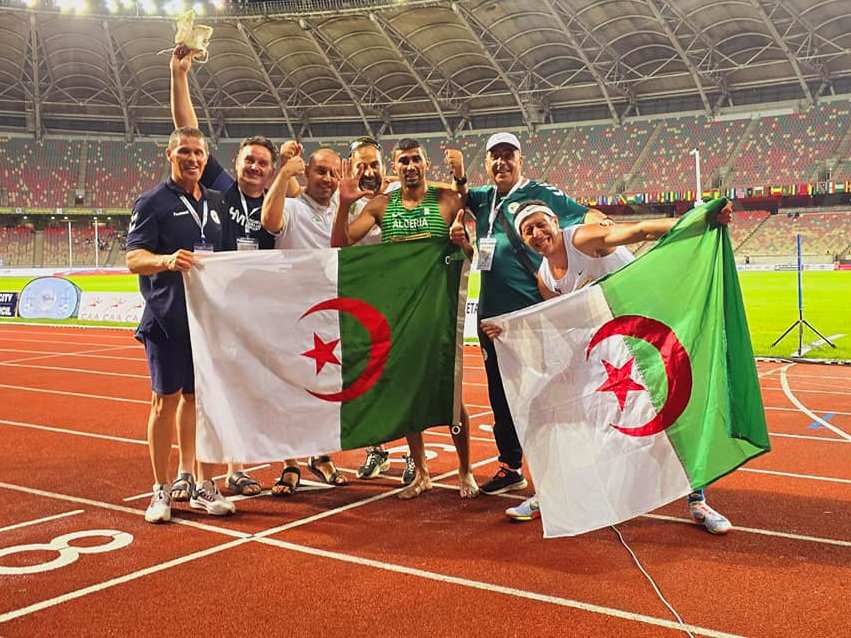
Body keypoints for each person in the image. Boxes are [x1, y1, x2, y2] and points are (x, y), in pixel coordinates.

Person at [481, 199, 734, 535]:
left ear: (555, 221)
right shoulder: (543, 276)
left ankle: (697, 500)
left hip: (644, 333)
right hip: (604, 345)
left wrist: (699, 222)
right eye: (528, 230)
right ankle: (550, 493)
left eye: (541, 224)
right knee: (546, 409)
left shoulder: (581, 240)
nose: (537, 234)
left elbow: (638, 230)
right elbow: (557, 320)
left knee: (669, 413)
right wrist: (508, 330)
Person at [171, 43, 301, 497]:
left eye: (263, 164)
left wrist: (290, 171)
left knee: (249, 389)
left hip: (259, 309)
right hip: (219, 308)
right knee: (212, 388)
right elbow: (187, 130)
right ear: (238, 163)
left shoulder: (278, 200)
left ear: (270, 172)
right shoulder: (222, 190)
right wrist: (180, 75)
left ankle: (234, 467)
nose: (254, 167)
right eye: (249, 160)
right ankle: (194, 470)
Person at [449, 132, 609, 496]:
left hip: (530, 316)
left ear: (520, 159)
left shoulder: (542, 194)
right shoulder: (483, 198)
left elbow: (587, 215)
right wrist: (459, 176)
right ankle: (510, 466)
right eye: (494, 156)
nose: (501, 162)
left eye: (509, 155)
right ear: (487, 163)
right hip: (491, 321)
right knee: (500, 395)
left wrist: (607, 236)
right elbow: (456, 198)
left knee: (542, 394)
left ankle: (561, 469)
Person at [331, 137, 478, 500]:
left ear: (426, 165)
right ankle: (423, 473)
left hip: (438, 311)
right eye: (404, 161)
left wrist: (462, 242)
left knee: (451, 391)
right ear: (395, 168)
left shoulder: (446, 202)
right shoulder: (382, 205)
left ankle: (465, 470)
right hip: (398, 310)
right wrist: (345, 204)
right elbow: (342, 243)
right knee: (407, 390)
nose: (410, 166)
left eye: (416, 160)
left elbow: (472, 252)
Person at [126, 126, 235, 523]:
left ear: (206, 159)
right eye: (185, 152)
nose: (193, 159)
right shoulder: (152, 202)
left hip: (204, 321)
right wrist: (167, 260)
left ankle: (199, 484)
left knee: (197, 401)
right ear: (170, 155)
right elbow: (134, 258)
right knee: (164, 401)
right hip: (166, 317)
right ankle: (160, 489)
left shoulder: (219, 202)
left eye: (199, 154)